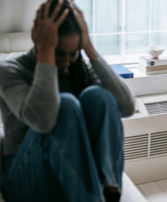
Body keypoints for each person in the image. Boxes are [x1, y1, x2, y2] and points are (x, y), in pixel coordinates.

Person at [0, 0, 135, 201]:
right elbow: (43, 120)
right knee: (66, 104)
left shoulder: (78, 68)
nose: (64, 63)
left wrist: (89, 48)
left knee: (99, 96)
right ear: (38, 38)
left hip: (70, 168)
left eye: (73, 53)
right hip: (23, 174)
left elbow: (126, 107)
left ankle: (109, 189)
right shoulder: (10, 70)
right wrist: (46, 52)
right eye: (58, 53)